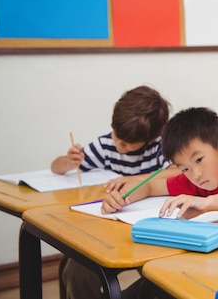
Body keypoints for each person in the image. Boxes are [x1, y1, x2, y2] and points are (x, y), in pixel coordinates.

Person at [54, 85, 179, 299]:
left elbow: (177, 171)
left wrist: (133, 179)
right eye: (117, 135)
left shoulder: (160, 147)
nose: (119, 144)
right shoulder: (106, 145)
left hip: (149, 230)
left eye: (129, 144)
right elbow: (56, 167)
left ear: (151, 138)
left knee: (161, 277)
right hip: (106, 231)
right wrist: (68, 161)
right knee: (77, 270)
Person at [101, 106, 218, 218]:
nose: (195, 174)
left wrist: (205, 203)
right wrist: (122, 197)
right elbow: (149, 187)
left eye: (199, 160)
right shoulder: (195, 184)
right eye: (185, 169)